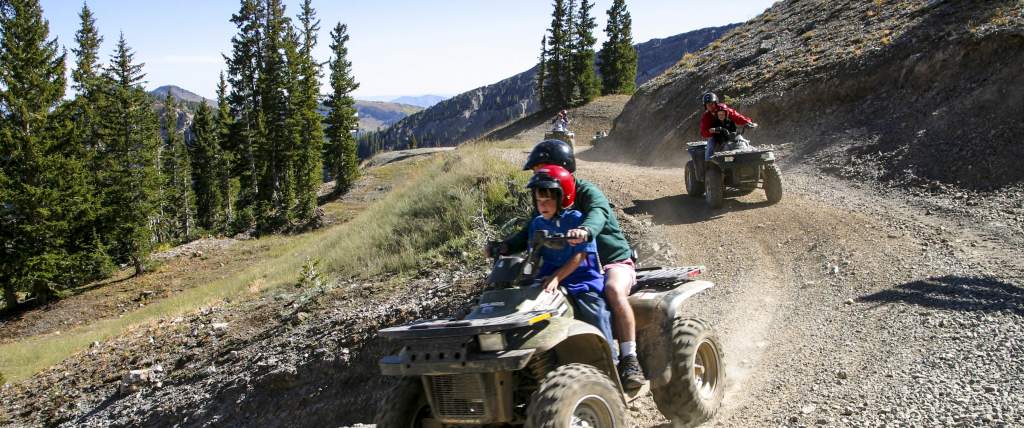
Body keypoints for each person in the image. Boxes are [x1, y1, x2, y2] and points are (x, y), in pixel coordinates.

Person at [489, 139, 646, 390]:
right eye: (535, 170)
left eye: (541, 167)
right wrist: (506, 246)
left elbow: (597, 215)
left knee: (613, 291)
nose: (536, 174)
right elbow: (529, 231)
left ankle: (628, 359)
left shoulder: (588, 193)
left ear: (560, 167)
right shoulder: (548, 197)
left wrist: (585, 231)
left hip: (610, 261)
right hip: (572, 267)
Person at [526, 165, 614, 353]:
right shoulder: (536, 224)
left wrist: (558, 277)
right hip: (548, 277)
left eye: (548, 199)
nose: (543, 205)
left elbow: (581, 255)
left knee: (595, 309)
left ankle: (611, 356)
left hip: (580, 278)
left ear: (562, 198)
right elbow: (533, 254)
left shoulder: (576, 219)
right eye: (539, 199)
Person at [699, 92, 756, 160]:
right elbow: (703, 132)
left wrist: (748, 122)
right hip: (716, 136)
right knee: (710, 146)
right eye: (708, 105)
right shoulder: (706, 117)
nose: (710, 106)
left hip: (730, 133)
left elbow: (737, 117)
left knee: (743, 141)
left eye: (712, 104)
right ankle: (708, 163)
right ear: (705, 106)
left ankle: (751, 157)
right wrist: (710, 131)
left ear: (716, 103)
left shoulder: (724, 110)